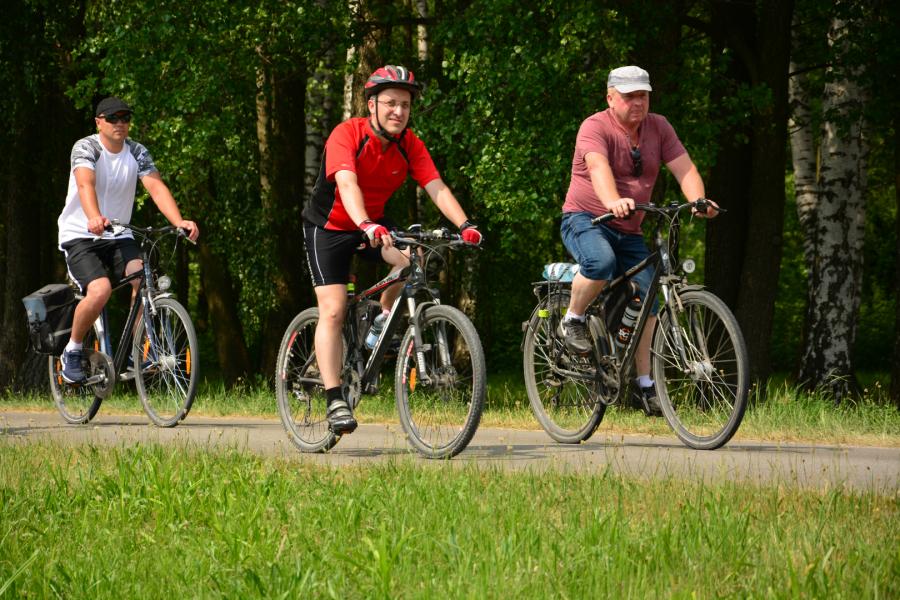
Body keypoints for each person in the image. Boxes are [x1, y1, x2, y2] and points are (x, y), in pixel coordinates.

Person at [302, 65, 483, 435]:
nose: (398, 111)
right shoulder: (347, 134)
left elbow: (436, 187)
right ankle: (334, 398)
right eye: (390, 103)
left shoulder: (409, 144)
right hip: (330, 228)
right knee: (333, 310)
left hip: (373, 225)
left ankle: (382, 318)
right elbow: (347, 184)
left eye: (405, 105)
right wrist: (365, 223)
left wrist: (465, 225)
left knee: (412, 259)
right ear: (372, 105)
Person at [559, 65, 717, 414]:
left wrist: (699, 200)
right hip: (585, 219)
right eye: (629, 96)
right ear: (610, 98)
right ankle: (573, 318)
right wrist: (613, 200)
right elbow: (598, 168)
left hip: (629, 229)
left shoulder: (659, 127)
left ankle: (645, 385)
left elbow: (685, 169)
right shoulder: (594, 127)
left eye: (643, 95)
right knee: (600, 262)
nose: (638, 102)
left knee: (648, 300)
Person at [57, 96, 199, 383]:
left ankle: (137, 352)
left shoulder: (137, 151)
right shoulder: (86, 147)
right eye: (113, 118)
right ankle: (72, 349)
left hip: (119, 234)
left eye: (125, 118)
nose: (120, 123)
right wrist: (94, 217)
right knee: (100, 290)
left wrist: (179, 221)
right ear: (99, 122)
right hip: (81, 235)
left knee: (144, 279)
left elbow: (156, 187)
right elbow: (85, 184)